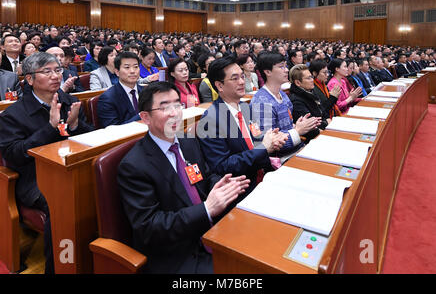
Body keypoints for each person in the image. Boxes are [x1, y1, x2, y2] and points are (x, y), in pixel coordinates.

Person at [117, 81, 249, 273]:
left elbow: (204, 177)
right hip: (177, 253)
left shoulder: (187, 141)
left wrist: (221, 186)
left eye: (177, 104)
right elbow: (149, 227)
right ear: (145, 117)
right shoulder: (134, 166)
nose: (175, 112)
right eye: (165, 107)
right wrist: (206, 209)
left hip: (210, 231)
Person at [0, 52, 94, 274]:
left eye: (58, 70)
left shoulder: (69, 101)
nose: (55, 76)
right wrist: (50, 128)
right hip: (34, 178)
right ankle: (60, 266)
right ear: (30, 79)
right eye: (47, 71)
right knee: (63, 199)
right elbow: (14, 155)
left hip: (70, 167)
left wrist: (74, 126)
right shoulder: (13, 114)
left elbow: (91, 136)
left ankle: (92, 254)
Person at [197, 56, 288, 207]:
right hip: (242, 189)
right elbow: (222, 166)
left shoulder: (245, 108)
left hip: (264, 178)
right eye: (234, 78)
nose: (241, 82)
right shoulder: (211, 120)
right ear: (219, 85)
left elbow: (255, 141)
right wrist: (263, 148)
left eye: (241, 76)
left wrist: (272, 140)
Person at [251, 52, 320, 158]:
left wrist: (300, 125)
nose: (287, 70)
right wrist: (297, 131)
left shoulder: (282, 94)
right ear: (268, 72)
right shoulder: (261, 102)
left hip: (296, 149)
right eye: (281, 67)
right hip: (280, 159)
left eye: (286, 66)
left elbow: (287, 126)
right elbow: (267, 145)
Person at [97, 51, 142, 128]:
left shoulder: (147, 92)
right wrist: (142, 115)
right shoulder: (107, 98)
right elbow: (113, 130)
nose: (132, 71)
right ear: (117, 72)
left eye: (135, 67)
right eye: (127, 67)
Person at [288, 64, 327, 141]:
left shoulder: (310, 91)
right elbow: (311, 128)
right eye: (308, 78)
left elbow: (323, 111)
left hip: (324, 127)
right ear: (298, 83)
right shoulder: (296, 101)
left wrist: (328, 120)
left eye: (312, 77)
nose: (312, 80)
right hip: (315, 138)